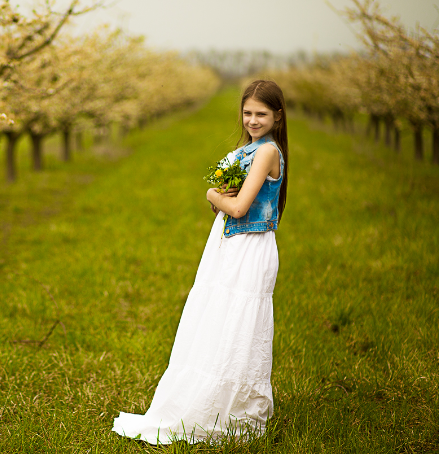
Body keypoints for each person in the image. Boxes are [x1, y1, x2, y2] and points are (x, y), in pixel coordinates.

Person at [112, 80, 289, 444]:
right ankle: (208, 400)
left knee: (238, 324)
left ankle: (232, 407)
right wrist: (219, 196)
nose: (253, 120)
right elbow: (229, 201)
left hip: (250, 246)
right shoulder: (250, 148)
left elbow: (237, 207)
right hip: (229, 242)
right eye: (248, 112)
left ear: (277, 116)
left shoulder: (267, 152)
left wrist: (210, 193)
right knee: (216, 319)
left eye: (261, 114)